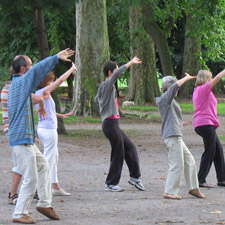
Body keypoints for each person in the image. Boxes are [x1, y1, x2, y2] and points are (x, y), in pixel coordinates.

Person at [8, 48, 74, 224]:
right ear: (23, 69)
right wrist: (55, 58)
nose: (31, 69)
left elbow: (27, 107)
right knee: (31, 176)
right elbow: (38, 70)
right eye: (29, 65)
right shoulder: (21, 83)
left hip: (25, 138)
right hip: (21, 139)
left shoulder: (17, 86)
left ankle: (44, 203)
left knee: (44, 166)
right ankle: (19, 213)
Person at [94, 56, 145, 192]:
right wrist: (130, 63)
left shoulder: (106, 88)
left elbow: (96, 99)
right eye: (115, 71)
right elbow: (117, 74)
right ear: (110, 73)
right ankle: (111, 183)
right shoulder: (106, 85)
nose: (117, 74)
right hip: (110, 124)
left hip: (113, 123)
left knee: (130, 147)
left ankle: (135, 177)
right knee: (118, 152)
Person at [1, 72, 48, 205]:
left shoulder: (11, 87)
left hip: (19, 131)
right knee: (20, 165)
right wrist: (41, 100)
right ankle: (13, 195)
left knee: (33, 163)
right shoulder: (12, 88)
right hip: (15, 132)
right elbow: (35, 99)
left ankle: (33, 192)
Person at [156, 74, 205, 200]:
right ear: (169, 87)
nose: (178, 90)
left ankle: (193, 188)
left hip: (176, 134)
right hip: (172, 135)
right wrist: (186, 78)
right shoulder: (165, 98)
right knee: (177, 164)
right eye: (175, 88)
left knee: (190, 161)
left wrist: (180, 123)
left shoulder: (170, 101)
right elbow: (175, 86)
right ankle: (170, 191)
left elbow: (169, 118)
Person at [35, 63, 77, 196]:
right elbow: (60, 81)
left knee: (54, 157)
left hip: (44, 128)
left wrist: (60, 115)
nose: (52, 82)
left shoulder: (40, 94)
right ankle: (40, 188)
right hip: (48, 129)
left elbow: (45, 111)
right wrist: (71, 69)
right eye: (50, 81)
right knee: (48, 159)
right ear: (46, 82)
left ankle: (55, 186)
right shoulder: (42, 92)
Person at [192, 69, 225, 188]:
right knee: (210, 151)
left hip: (205, 124)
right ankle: (200, 179)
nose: (211, 80)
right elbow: (218, 78)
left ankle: (222, 179)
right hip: (205, 124)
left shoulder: (198, 90)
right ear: (206, 79)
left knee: (218, 151)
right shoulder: (203, 89)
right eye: (209, 78)